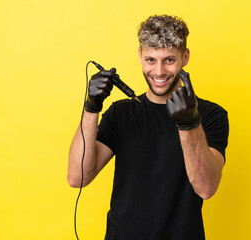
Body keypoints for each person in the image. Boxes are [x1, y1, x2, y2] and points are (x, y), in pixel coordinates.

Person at [68, 15, 229, 240]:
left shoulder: (211, 115)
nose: (159, 71)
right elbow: (78, 177)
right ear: (140, 56)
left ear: (185, 57)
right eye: (151, 60)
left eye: (169, 60)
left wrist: (189, 124)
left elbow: (206, 188)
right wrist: (91, 107)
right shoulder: (121, 113)